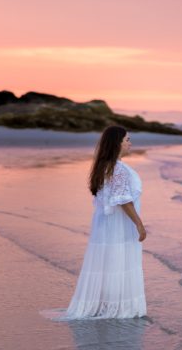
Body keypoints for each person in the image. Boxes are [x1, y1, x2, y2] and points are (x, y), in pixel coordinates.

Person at [63, 126, 147, 319]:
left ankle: (105, 304)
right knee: (118, 261)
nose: (130, 143)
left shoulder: (106, 165)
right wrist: (139, 224)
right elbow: (123, 199)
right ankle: (117, 308)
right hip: (118, 224)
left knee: (109, 262)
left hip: (105, 224)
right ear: (117, 143)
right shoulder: (117, 169)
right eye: (127, 140)